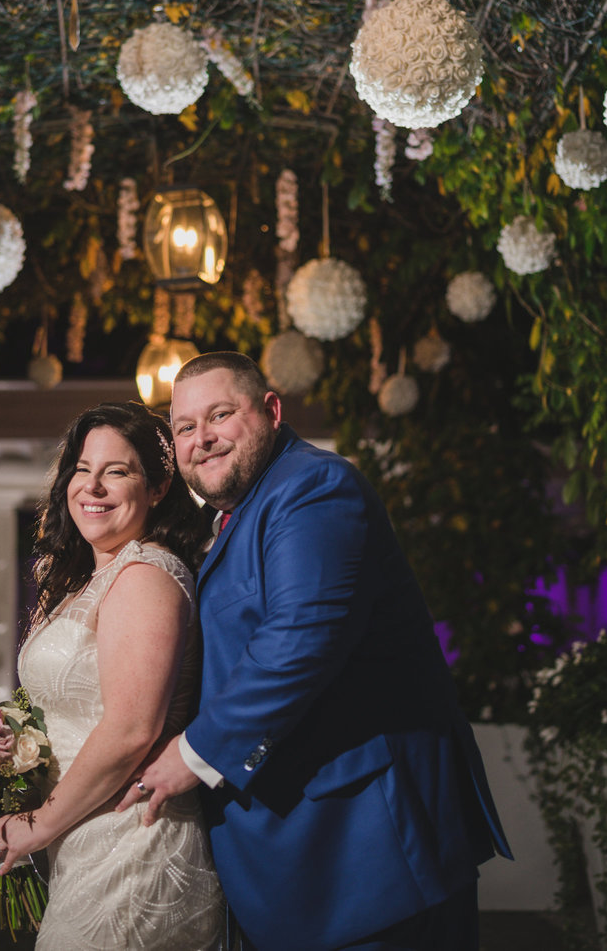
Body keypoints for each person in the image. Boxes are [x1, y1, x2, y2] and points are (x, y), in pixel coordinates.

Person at [119, 352, 511, 951]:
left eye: (220, 415)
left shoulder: (313, 486)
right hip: (304, 855)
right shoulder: (234, 518)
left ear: (272, 411)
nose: (202, 438)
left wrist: (193, 752)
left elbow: (303, 636)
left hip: (368, 849)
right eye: (185, 427)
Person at [0, 401, 225, 950]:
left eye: (117, 471)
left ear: (159, 487)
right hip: (81, 833)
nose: (93, 487)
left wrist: (38, 824)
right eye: (82, 470)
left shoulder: (144, 575)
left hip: (133, 842)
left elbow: (132, 729)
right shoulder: (85, 579)